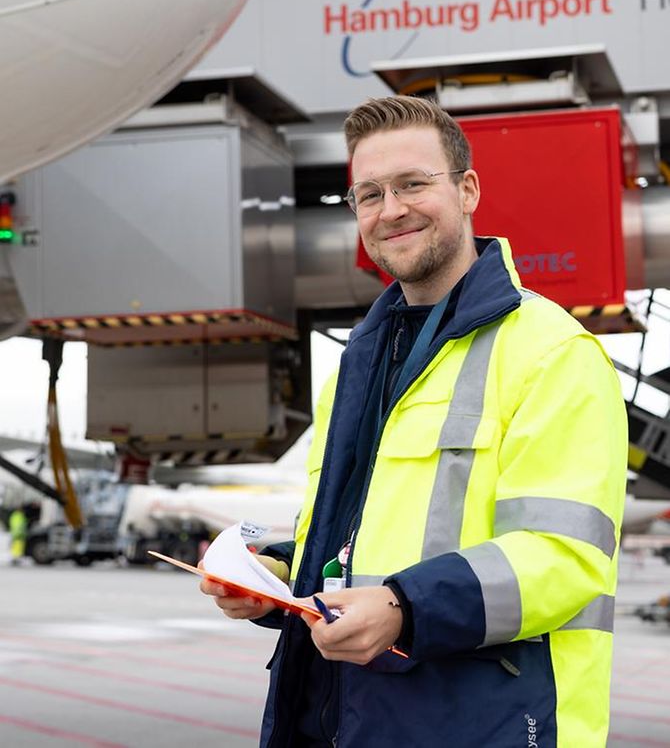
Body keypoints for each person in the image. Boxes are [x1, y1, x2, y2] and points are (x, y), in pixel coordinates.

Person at [201, 95, 628, 747]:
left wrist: (404, 608)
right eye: (368, 194)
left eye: (411, 185)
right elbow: (358, 543)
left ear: (467, 189)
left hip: (486, 721)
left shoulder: (552, 351)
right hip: (346, 717)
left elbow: (564, 558)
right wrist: (278, 581)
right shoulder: (359, 361)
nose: (390, 209)